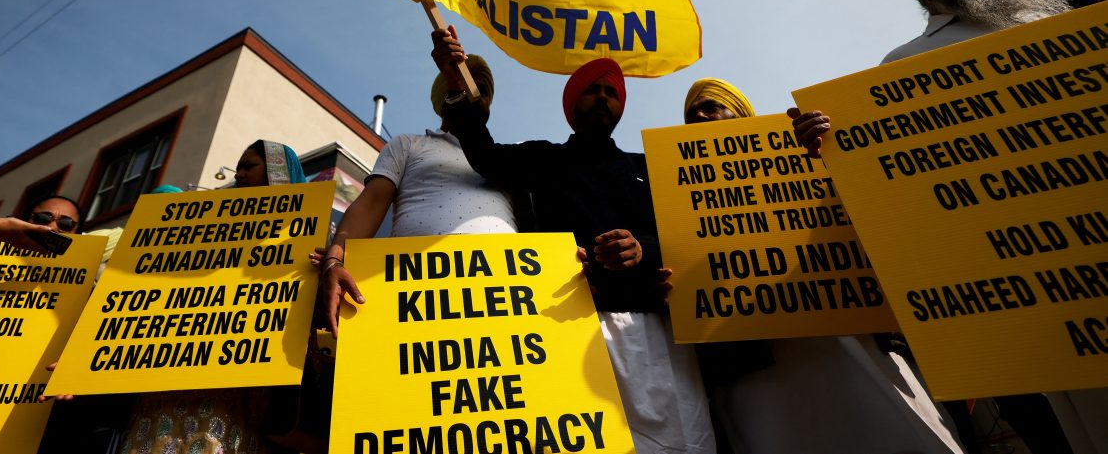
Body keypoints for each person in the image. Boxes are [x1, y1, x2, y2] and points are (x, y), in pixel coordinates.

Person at [790, 0, 1107, 454]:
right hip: (1022, 307)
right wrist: (837, 153)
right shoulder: (901, 69)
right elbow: (904, 200)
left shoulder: (1082, 10)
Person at [434, 28, 716, 454]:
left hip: (658, 331)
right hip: (571, 325)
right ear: (572, 103)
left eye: (612, 92)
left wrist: (643, 248)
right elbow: (485, 154)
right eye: (592, 90)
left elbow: (689, 231)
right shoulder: (543, 158)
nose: (603, 98)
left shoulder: (652, 167)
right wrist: (457, 86)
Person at [680, 78, 965, 454]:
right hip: (756, 369)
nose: (699, 115)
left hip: (846, 341)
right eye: (691, 112)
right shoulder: (676, 196)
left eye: (711, 106)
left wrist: (831, 155)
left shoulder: (804, 151)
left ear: (742, 114)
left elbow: (879, 216)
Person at [115, 140, 305, 454]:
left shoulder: (303, 233)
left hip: (243, 371)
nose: (239, 174)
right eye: (239, 167)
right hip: (171, 364)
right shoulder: (204, 224)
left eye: (248, 166)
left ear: (276, 172)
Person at [315, 52, 516, 335]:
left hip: (503, 299)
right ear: (446, 93)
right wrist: (334, 260)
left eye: (482, 90)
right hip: (417, 297)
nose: (475, 95)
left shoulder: (507, 161)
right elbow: (369, 205)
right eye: (466, 84)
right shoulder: (409, 145)